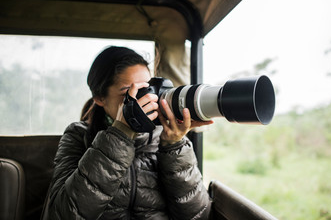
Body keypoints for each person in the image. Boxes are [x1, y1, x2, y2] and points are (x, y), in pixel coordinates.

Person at [47, 46, 213, 219]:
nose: (143, 100)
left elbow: (198, 216)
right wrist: (120, 134)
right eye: (131, 93)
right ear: (99, 98)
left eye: (148, 90)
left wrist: (174, 146)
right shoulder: (78, 135)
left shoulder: (165, 136)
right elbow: (62, 214)